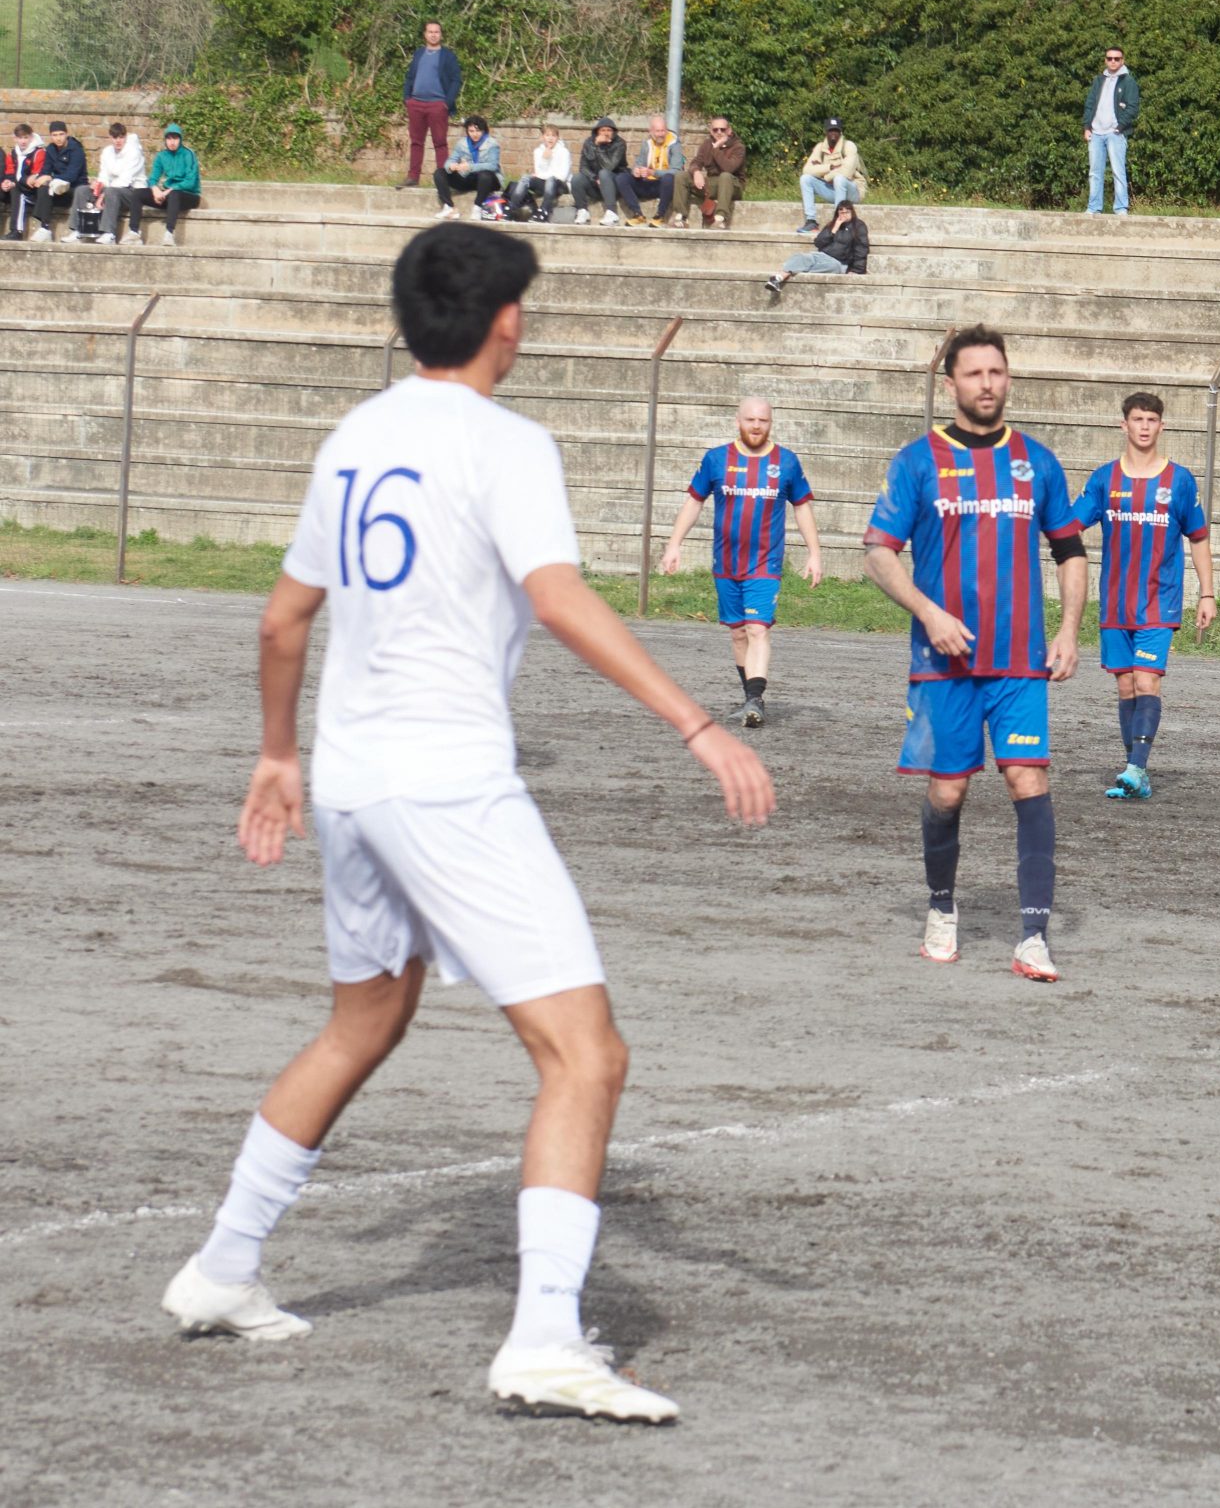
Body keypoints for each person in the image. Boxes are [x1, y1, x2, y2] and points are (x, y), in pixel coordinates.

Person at [157, 222, 776, 1423]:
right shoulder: (505, 443)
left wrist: (279, 752)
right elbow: (556, 597)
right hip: (447, 784)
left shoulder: (356, 434)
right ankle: (545, 1338)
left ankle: (223, 1267)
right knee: (586, 1055)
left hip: (350, 778)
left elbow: (284, 621)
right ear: (506, 321)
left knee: (362, 1023)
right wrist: (698, 723)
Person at [863, 325, 1088, 983]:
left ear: (1007, 377)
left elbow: (1070, 551)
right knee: (948, 791)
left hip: (1019, 661)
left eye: (997, 372)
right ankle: (941, 909)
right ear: (951, 382)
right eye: (974, 374)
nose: (987, 384)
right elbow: (878, 553)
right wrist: (929, 613)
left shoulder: (1037, 461)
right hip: (945, 663)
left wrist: (1070, 630)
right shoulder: (916, 461)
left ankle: (1035, 937)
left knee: (1029, 779)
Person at [1071, 390, 1215, 801]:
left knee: (1146, 679)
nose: (1145, 427)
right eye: (1138, 420)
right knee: (1125, 687)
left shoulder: (1180, 481)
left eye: (1152, 420)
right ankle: (1136, 768)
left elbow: (1199, 538)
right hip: (1116, 601)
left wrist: (1207, 594)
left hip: (1159, 600)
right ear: (1125, 425)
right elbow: (1071, 524)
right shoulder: (1104, 480)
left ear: (1161, 426)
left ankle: (1135, 768)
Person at [657, 397, 822, 728]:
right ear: (738, 421)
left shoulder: (786, 462)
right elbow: (694, 502)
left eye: (763, 420)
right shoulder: (717, 459)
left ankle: (755, 700)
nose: (757, 426)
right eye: (750, 420)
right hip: (726, 563)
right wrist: (674, 544)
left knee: (757, 629)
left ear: (770, 423)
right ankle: (750, 697)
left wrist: (814, 552)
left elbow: (802, 506)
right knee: (738, 634)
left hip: (765, 563)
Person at [400, 20, 462, 190]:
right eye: (430, 32)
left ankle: (444, 179)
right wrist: (407, 98)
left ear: (440, 35)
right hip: (416, 104)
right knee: (416, 142)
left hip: (437, 105)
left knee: (440, 142)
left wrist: (446, 103)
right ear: (425, 34)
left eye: (437, 32)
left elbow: (456, 80)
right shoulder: (419, 54)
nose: (434, 34)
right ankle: (413, 177)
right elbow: (410, 77)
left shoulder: (448, 56)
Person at [763, 199, 869, 298]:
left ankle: (792, 271)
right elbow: (819, 243)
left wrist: (857, 270)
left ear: (852, 212)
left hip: (839, 263)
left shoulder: (858, 226)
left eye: (847, 212)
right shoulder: (832, 225)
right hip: (822, 256)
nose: (844, 214)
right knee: (801, 256)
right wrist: (834, 229)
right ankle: (777, 278)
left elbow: (861, 248)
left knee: (832, 266)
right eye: (841, 212)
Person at [1083, 45, 1139, 216]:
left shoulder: (1128, 81)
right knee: (1095, 172)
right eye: (1109, 58)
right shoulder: (1099, 80)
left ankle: (1121, 208)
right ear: (1105, 60)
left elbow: (1133, 107)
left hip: (1115, 134)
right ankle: (1094, 208)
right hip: (1096, 133)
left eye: (1116, 58)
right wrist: (1087, 126)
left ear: (1122, 60)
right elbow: (1090, 104)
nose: (1113, 61)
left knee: (1118, 171)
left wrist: (1119, 127)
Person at [23, 120, 88, 243]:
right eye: (55, 135)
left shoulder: (76, 149)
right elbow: (45, 170)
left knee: (49, 184)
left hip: (74, 189)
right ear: (51, 136)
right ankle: (45, 228)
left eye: (61, 134)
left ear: (66, 134)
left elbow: (72, 175)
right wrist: (39, 178)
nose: (58, 138)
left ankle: (73, 231)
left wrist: (51, 177)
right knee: (44, 187)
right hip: (56, 189)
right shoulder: (51, 149)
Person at [797, 118, 865, 231]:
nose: (833, 133)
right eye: (830, 131)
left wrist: (825, 175)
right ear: (826, 132)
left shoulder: (849, 146)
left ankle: (838, 221)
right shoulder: (820, 147)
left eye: (836, 131)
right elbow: (807, 170)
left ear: (840, 132)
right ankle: (811, 221)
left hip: (853, 191)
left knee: (839, 179)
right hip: (832, 190)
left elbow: (847, 172)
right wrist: (830, 167)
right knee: (805, 179)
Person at [140, 123, 203, 245]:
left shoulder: (188, 154)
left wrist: (170, 190)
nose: (172, 142)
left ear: (180, 139)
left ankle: (169, 234)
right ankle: (134, 233)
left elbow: (190, 182)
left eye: (175, 138)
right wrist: (154, 189)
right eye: (169, 138)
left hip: (189, 195)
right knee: (138, 193)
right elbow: (153, 178)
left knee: (174, 194)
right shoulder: (161, 156)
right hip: (169, 195)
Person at [433, 115, 503, 219]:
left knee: (485, 175)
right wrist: (451, 166)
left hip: (488, 181)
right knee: (439, 173)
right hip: (467, 178)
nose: (475, 134)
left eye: (478, 131)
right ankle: (449, 207)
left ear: (484, 131)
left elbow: (492, 166)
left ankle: (477, 207)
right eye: (471, 131)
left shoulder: (492, 144)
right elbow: (450, 161)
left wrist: (470, 167)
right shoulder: (462, 143)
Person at [572, 118, 639, 226]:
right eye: (603, 130)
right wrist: (594, 178)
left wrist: (599, 147)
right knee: (576, 178)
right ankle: (582, 211)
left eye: (609, 130)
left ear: (613, 132)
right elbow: (583, 167)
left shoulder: (619, 143)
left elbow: (609, 166)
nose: (606, 133)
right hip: (596, 184)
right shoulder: (589, 142)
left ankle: (612, 213)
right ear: (597, 131)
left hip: (614, 185)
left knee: (604, 173)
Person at [683, 117, 745, 229]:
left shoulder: (738, 147)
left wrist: (716, 148)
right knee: (682, 176)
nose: (719, 132)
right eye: (715, 130)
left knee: (725, 176)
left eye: (722, 129)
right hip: (713, 184)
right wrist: (696, 172)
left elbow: (729, 169)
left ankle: (720, 219)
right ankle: (680, 217)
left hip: (732, 184)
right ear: (711, 131)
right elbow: (696, 162)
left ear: (729, 130)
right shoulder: (706, 145)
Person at [94, 121, 149, 245]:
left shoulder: (134, 152)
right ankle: (79, 231)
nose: (118, 141)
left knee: (111, 192)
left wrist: (103, 195)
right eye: (115, 137)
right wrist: (99, 185)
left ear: (125, 137)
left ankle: (109, 233)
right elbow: (104, 175)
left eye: (121, 137)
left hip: (134, 192)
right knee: (82, 191)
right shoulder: (107, 152)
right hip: (113, 189)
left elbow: (125, 180)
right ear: (110, 138)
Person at [506, 124, 573, 222]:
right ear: (542, 137)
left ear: (557, 138)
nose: (550, 138)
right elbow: (538, 172)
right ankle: (511, 208)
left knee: (551, 179)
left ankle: (544, 211)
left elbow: (562, 176)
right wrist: (545, 159)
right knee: (526, 178)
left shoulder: (564, 152)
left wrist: (544, 174)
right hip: (544, 183)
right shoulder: (538, 151)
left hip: (560, 185)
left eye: (553, 136)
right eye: (547, 135)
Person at [631, 114, 682, 226]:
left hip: (665, 186)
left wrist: (653, 172)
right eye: (658, 131)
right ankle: (637, 214)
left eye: (663, 131)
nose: (661, 134)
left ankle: (660, 216)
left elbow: (677, 171)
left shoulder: (674, 144)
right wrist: (637, 170)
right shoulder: (647, 144)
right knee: (622, 178)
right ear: (651, 131)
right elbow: (639, 163)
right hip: (647, 183)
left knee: (668, 178)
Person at [3, 123, 47, 239]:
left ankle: (16, 231)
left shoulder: (39, 153)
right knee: (13, 189)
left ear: (31, 137)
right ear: (15, 138)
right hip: (21, 187)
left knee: (17, 191)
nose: (23, 141)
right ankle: (15, 231)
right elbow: (10, 171)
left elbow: (35, 177)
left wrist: (18, 182)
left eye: (26, 137)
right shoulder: (13, 153)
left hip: (35, 192)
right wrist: (7, 182)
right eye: (20, 138)